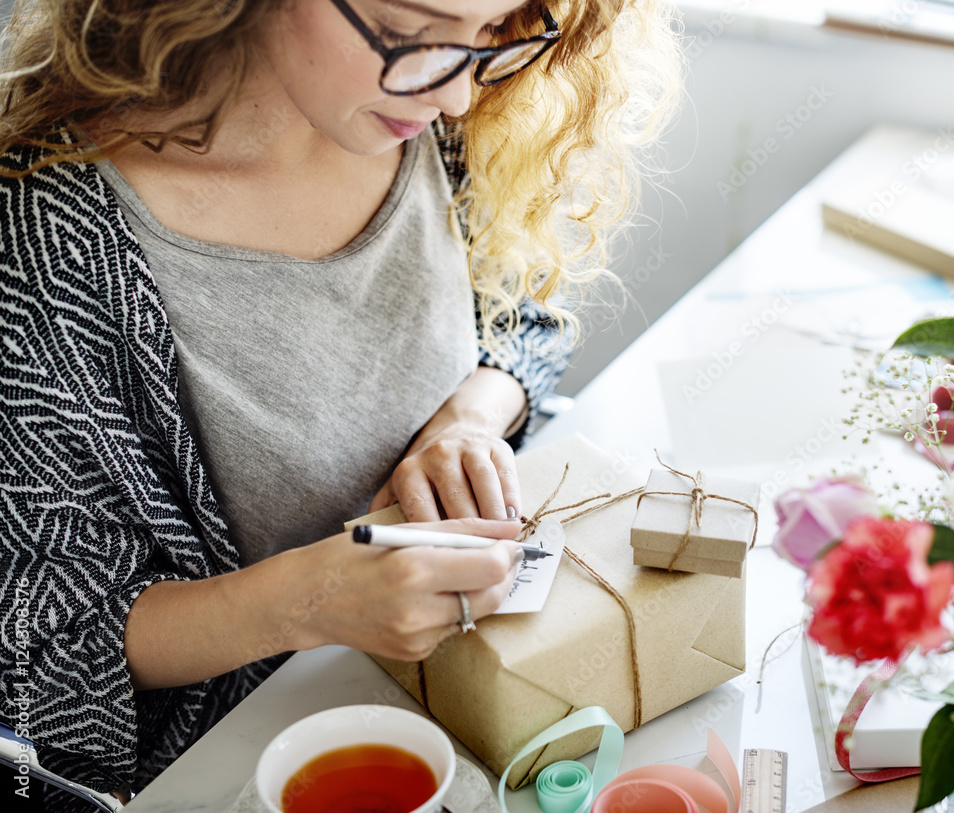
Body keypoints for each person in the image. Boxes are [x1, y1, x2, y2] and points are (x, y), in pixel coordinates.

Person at [0, 0, 682, 801]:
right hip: (273, 757)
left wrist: (467, 418)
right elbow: (49, 647)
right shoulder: (46, 250)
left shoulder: (429, 113)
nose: (460, 91)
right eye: (412, 28)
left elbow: (523, 318)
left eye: (496, 29)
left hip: (486, 697)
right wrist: (308, 602)